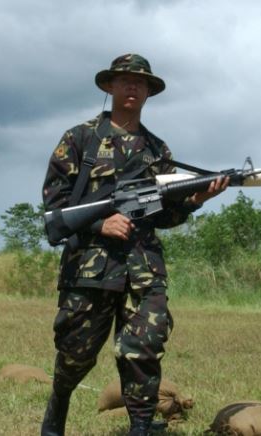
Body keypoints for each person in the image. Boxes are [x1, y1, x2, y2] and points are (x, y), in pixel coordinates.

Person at [40, 54, 228, 436]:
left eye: (140, 83)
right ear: (109, 87)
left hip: (143, 269)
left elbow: (164, 216)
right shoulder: (80, 139)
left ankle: (140, 427)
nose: (132, 87)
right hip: (90, 269)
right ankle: (57, 407)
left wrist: (194, 201)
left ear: (148, 93)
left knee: (143, 351)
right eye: (124, 80)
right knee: (76, 355)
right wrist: (99, 222)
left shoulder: (159, 151)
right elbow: (54, 205)